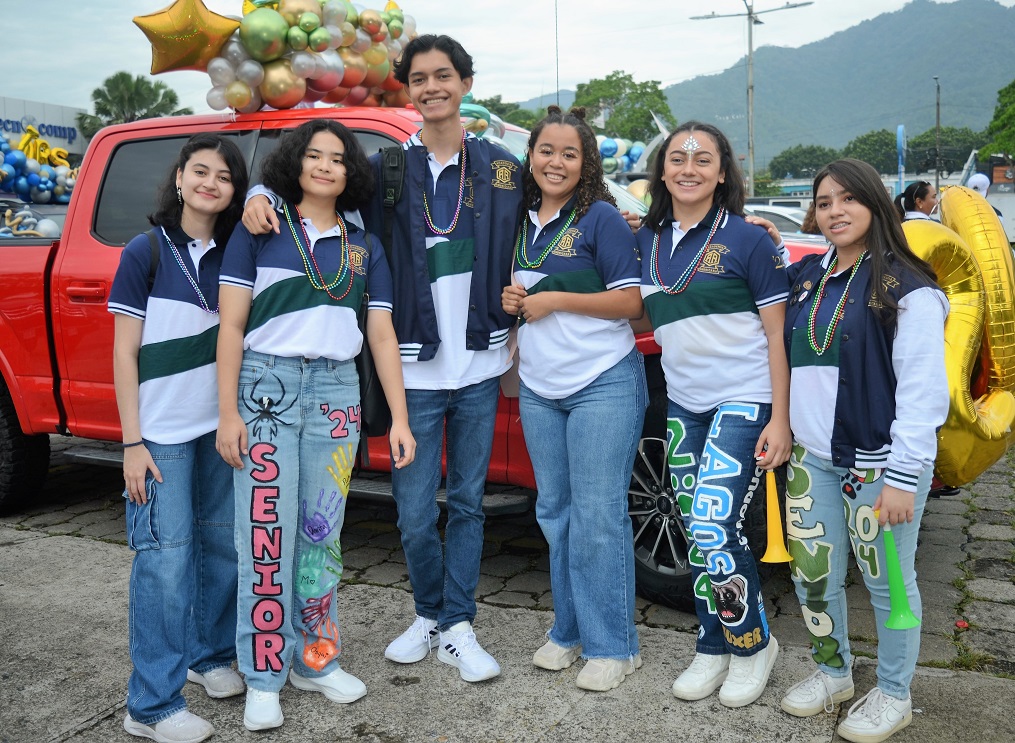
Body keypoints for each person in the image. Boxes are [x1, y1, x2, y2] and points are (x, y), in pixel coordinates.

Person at [243, 34, 523, 683]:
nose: (431, 87)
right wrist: (261, 190)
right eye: (419, 78)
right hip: (414, 372)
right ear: (407, 88)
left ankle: (457, 623)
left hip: (479, 366)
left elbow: (563, 200)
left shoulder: (503, 166)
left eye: (443, 75)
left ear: (465, 82)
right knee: (415, 510)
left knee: (472, 505)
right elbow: (315, 182)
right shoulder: (387, 169)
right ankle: (429, 612)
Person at [216, 119, 415, 731]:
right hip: (266, 388)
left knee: (321, 534)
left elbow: (380, 333)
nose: (326, 166)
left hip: (336, 393)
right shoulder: (260, 228)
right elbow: (230, 328)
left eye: (337, 158)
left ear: (351, 172)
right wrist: (228, 413)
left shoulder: (364, 247)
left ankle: (316, 659)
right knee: (265, 535)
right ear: (295, 165)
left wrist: (400, 416)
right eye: (314, 156)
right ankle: (263, 672)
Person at [779, 159, 948, 743]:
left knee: (890, 581)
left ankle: (896, 694)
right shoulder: (806, 279)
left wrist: (904, 476)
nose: (835, 212)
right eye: (824, 203)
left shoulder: (910, 287)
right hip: (811, 459)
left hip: (879, 464)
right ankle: (833, 672)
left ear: (876, 205)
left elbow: (925, 394)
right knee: (814, 573)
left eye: (848, 199)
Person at [634, 121, 790, 707]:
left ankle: (751, 645)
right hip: (683, 404)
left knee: (709, 525)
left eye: (704, 159)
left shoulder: (749, 239)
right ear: (663, 171)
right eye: (678, 157)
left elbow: (778, 337)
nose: (690, 167)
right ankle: (712, 642)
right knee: (697, 531)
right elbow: (636, 312)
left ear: (723, 172)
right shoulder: (645, 240)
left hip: (745, 399)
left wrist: (781, 418)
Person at [500, 106, 646, 691]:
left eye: (569, 153)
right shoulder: (519, 218)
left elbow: (632, 303)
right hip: (539, 386)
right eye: (546, 151)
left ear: (585, 164)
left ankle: (615, 646)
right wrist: (518, 300)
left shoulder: (601, 219)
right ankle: (568, 631)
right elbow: (525, 291)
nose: (555, 162)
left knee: (598, 517)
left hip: (601, 383)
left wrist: (554, 299)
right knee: (555, 515)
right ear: (530, 156)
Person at [110, 133, 249, 743]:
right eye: (200, 171)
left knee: (219, 550)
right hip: (159, 435)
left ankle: (208, 655)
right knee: (164, 564)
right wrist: (131, 442)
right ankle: (151, 705)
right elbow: (123, 351)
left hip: (218, 428)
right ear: (179, 178)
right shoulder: (144, 251)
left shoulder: (238, 252)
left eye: (223, 175)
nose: (210, 183)